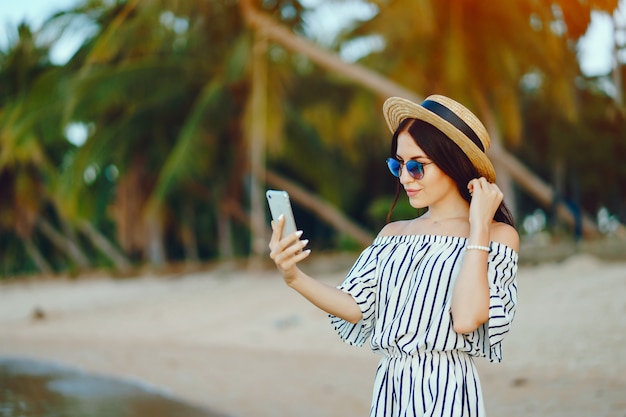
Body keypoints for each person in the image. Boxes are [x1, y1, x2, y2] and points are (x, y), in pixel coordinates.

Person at [268, 94, 519, 417]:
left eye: (417, 166)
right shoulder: (393, 235)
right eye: (397, 164)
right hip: (390, 389)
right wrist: (294, 278)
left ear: (453, 163)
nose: (404, 177)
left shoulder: (497, 236)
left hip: (447, 391)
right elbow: (356, 306)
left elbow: (467, 318)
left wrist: (479, 227)